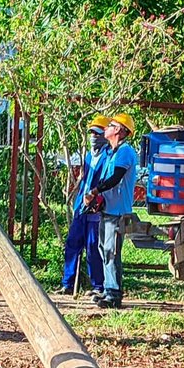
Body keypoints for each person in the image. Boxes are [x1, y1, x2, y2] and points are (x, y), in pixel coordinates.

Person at [84, 113, 138, 310]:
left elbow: (115, 178)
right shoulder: (111, 153)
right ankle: (108, 289)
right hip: (108, 209)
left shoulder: (124, 152)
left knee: (111, 251)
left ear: (120, 130)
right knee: (104, 249)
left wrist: (95, 191)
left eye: (111, 125)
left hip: (118, 211)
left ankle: (114, 294)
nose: (106, 127)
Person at [58, 115, 110, 296]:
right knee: (73, 243)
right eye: (92, 133)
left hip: (96, 208)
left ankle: (98, 286)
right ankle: (68, 284)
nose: (93, 136)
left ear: (105, 134)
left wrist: (96, 200)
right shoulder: (89, 155)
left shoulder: (108, 156)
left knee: (93, 246)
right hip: (82, 206)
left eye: (97, 133)